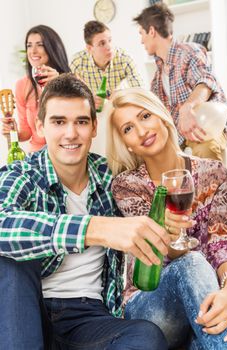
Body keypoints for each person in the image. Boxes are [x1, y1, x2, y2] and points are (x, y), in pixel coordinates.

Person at [0, 74, 169, 350]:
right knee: (8, 253)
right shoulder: (23, 174)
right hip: (24, 308)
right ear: (41, 127)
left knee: (146, 337)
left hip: (87, 318)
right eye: (58, 122)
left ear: (93, 127)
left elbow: (155, 169)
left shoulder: (111, 177)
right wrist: (95, 229)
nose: (70, 133)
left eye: (80, 122)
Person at [105, 86, 227, 349]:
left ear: (160, 115)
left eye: (144, 117)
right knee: (191, 262)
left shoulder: (215, 173)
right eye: (128, 129)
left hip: (205, 303)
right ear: (125, 143)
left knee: (206, 335)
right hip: (151, 306)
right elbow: (159, 252)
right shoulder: (127, 186)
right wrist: (169, 231)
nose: (141, 131)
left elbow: (224, 244)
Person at [133, 2, 227, 162]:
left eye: (141, 33)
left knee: (204, 150)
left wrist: (188, 107)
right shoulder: (157, 79)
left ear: (151, 31)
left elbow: (205, 81)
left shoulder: (189, 51)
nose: (141, 41)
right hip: (180, 137)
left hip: (206, 129)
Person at [70, 20, 143, 155]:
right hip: (94, 116)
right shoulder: (77, 63)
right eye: (102, 43)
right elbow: (72, 95)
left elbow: (140, 91)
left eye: (109, 40)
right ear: (89, 48)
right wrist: (88, 98)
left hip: (118, 111)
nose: (109, 46)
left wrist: (121, 94)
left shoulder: (124, 59)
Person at [1, 24, 71, 153]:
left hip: (65, 150)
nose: (33, 51)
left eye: (40, 45)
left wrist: (60, 83)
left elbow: (78, 120)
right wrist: (12, 132)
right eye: (29, 45)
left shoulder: (70, 81)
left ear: (52, 48)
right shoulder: (22, 85)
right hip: (36, 155)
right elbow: (26, 133)